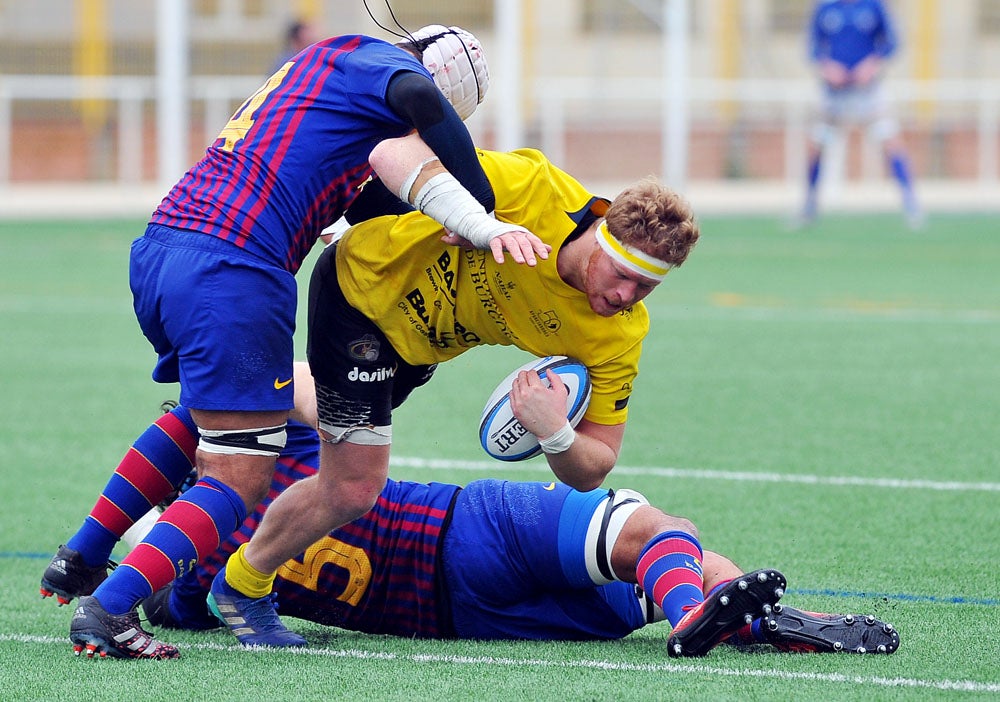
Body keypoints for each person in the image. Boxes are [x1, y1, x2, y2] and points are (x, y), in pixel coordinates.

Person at [47, 25, 551, 661]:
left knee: (205, 418)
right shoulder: (386, 70)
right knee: (240, 473)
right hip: (234, 266)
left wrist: (424, 213)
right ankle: (110, 609)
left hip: (166, 245)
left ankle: (81, 558)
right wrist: (479, 205)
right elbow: (418, 92)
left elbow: (366, 204)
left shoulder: (330, 71)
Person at [208, 147, 704, 651]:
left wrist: (555, 432)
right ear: (603, 241)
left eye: (646, 287)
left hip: (419, 349)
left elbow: (595, 466)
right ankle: (241, 587)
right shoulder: (533, 190)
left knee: (323, 413)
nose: (626, 296)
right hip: (364, 290)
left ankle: (233, 395)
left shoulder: (617, 335)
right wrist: (356, 213)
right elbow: (398, 158)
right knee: (354, 486)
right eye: (621, 274)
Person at [64, 397, 902, 657]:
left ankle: (755, 620)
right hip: (463, 529)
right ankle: (708, 612)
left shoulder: (189, 572)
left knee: (648, 579)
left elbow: (182, 597)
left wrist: (106, 564)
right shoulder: (258, 444)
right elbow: (315, 397)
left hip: (448, 617)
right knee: (654, 534)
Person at [800, 0, 921, 228]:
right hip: (834, 93)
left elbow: (891, 43)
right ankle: (808, 206)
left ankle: (911, 205)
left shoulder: (874, 6)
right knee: (817, 145)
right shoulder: (826, 8)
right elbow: (813, 48)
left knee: (891, 142)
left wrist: (872, 64)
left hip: (868, 92)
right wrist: (827, 67)